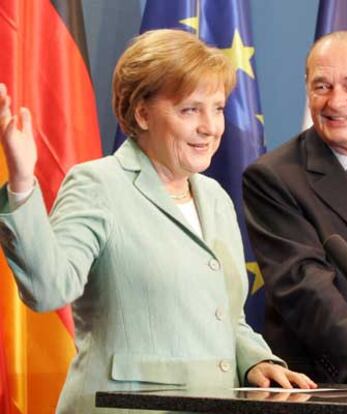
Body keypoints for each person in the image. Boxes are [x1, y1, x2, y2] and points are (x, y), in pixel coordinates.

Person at [0, 29, 315, 413]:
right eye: (190, 109)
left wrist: (256, 360)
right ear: (142, 113)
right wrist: (20, 182)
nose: (210, 126)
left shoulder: (215, 198)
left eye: (217, 108)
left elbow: (224, 319)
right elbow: (49, 289)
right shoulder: (99, 184)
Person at [243, 30, 347, 386]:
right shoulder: (273, 177)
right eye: (322, 86)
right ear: (307, 89)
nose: (336, 102)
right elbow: (303, 284)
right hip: (331, 386)